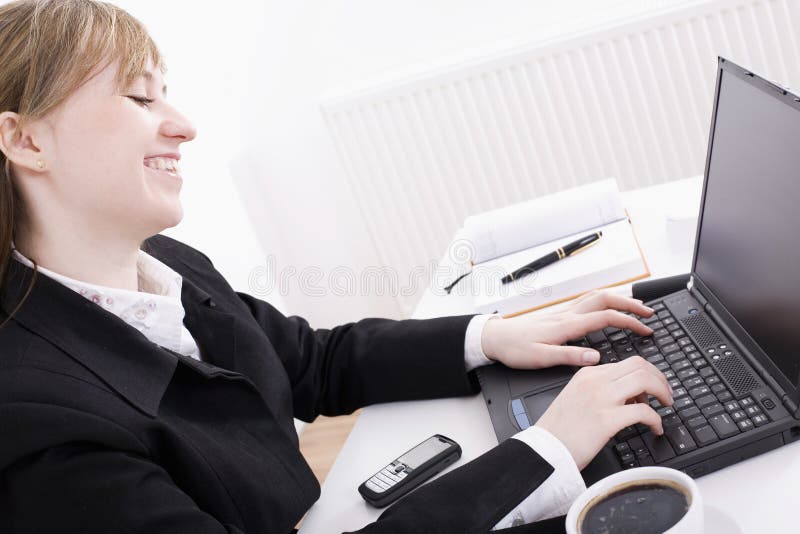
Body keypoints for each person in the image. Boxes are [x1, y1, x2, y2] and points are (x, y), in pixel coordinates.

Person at [0, 1, 673, 532]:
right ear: (27, 140)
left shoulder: (167, 266)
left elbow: (313, 362)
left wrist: (491, 336)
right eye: (141, 99)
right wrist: (542, 452)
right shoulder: (35, 424)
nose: (182, 125)